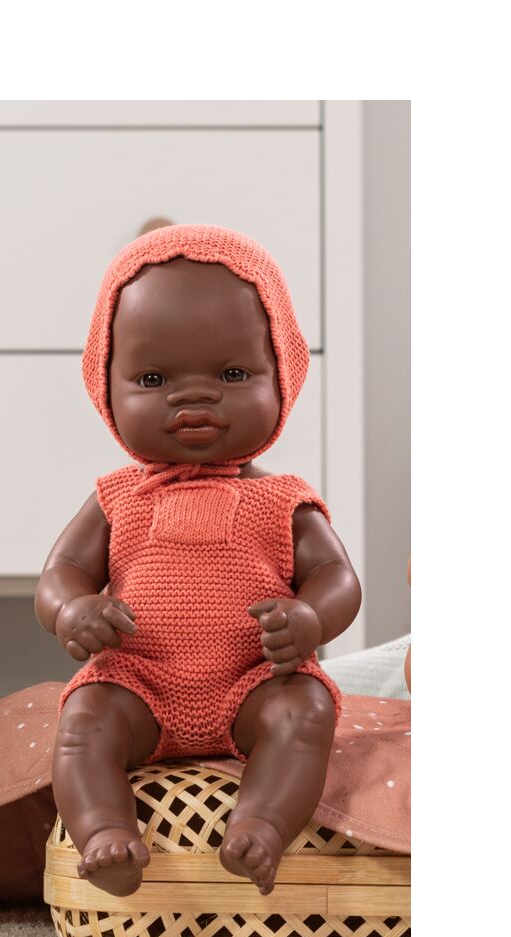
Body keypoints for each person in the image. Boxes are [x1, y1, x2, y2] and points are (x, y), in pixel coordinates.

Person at [35, 226, 361, 897]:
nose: (193, 399)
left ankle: (262, 826)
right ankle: (104, 833)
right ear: (106, 388)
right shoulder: (116, 497)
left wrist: (310, 617)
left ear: (283, 378)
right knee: (84, 721)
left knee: (306, 710)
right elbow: (61, 573)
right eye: (153, 379)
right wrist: (72, 609)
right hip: (138, 683)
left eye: (232, 375)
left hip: (254, 683)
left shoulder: (283, 500)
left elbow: (337, 578)